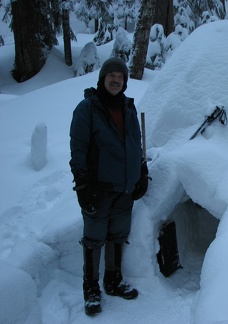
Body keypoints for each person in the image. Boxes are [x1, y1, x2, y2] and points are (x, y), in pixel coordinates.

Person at [69, 57, 149, 316]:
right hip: (98, 188)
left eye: (120, 76)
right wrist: (82, 186)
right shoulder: (87, 108)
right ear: (102, 78)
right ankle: (91, 288)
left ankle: (113, 280)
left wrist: (141, 171)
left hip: (124, 188)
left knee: (118, 235)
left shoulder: (128, 108)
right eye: (111, 75)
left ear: (125, 82)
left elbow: (135, 143)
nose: (116, 79)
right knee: (94, 239)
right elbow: (78, 148)